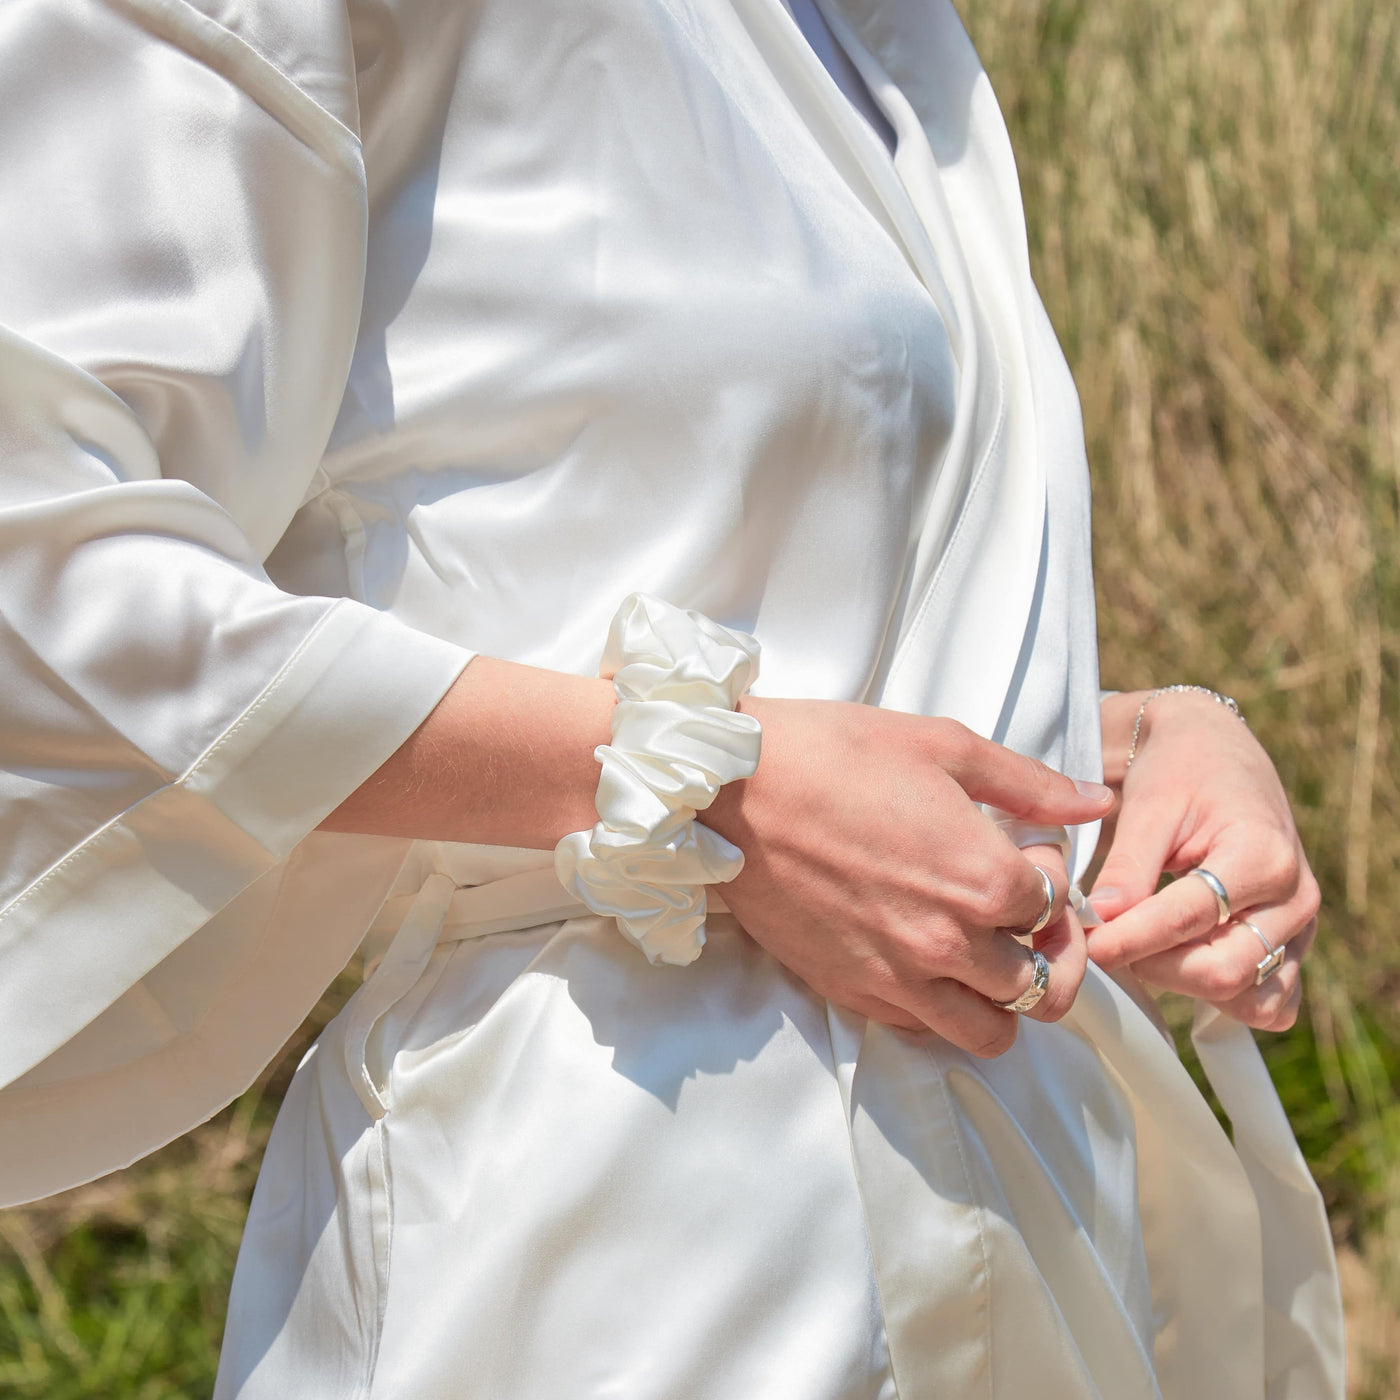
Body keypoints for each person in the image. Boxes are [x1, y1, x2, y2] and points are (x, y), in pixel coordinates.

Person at [0, 0, 1342, 1396]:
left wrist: (1116, 745)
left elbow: (769, 584)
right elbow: (36, 577)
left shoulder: (886, 45)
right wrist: (708, 792)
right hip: (626, 1236)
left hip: (1020, 1230)